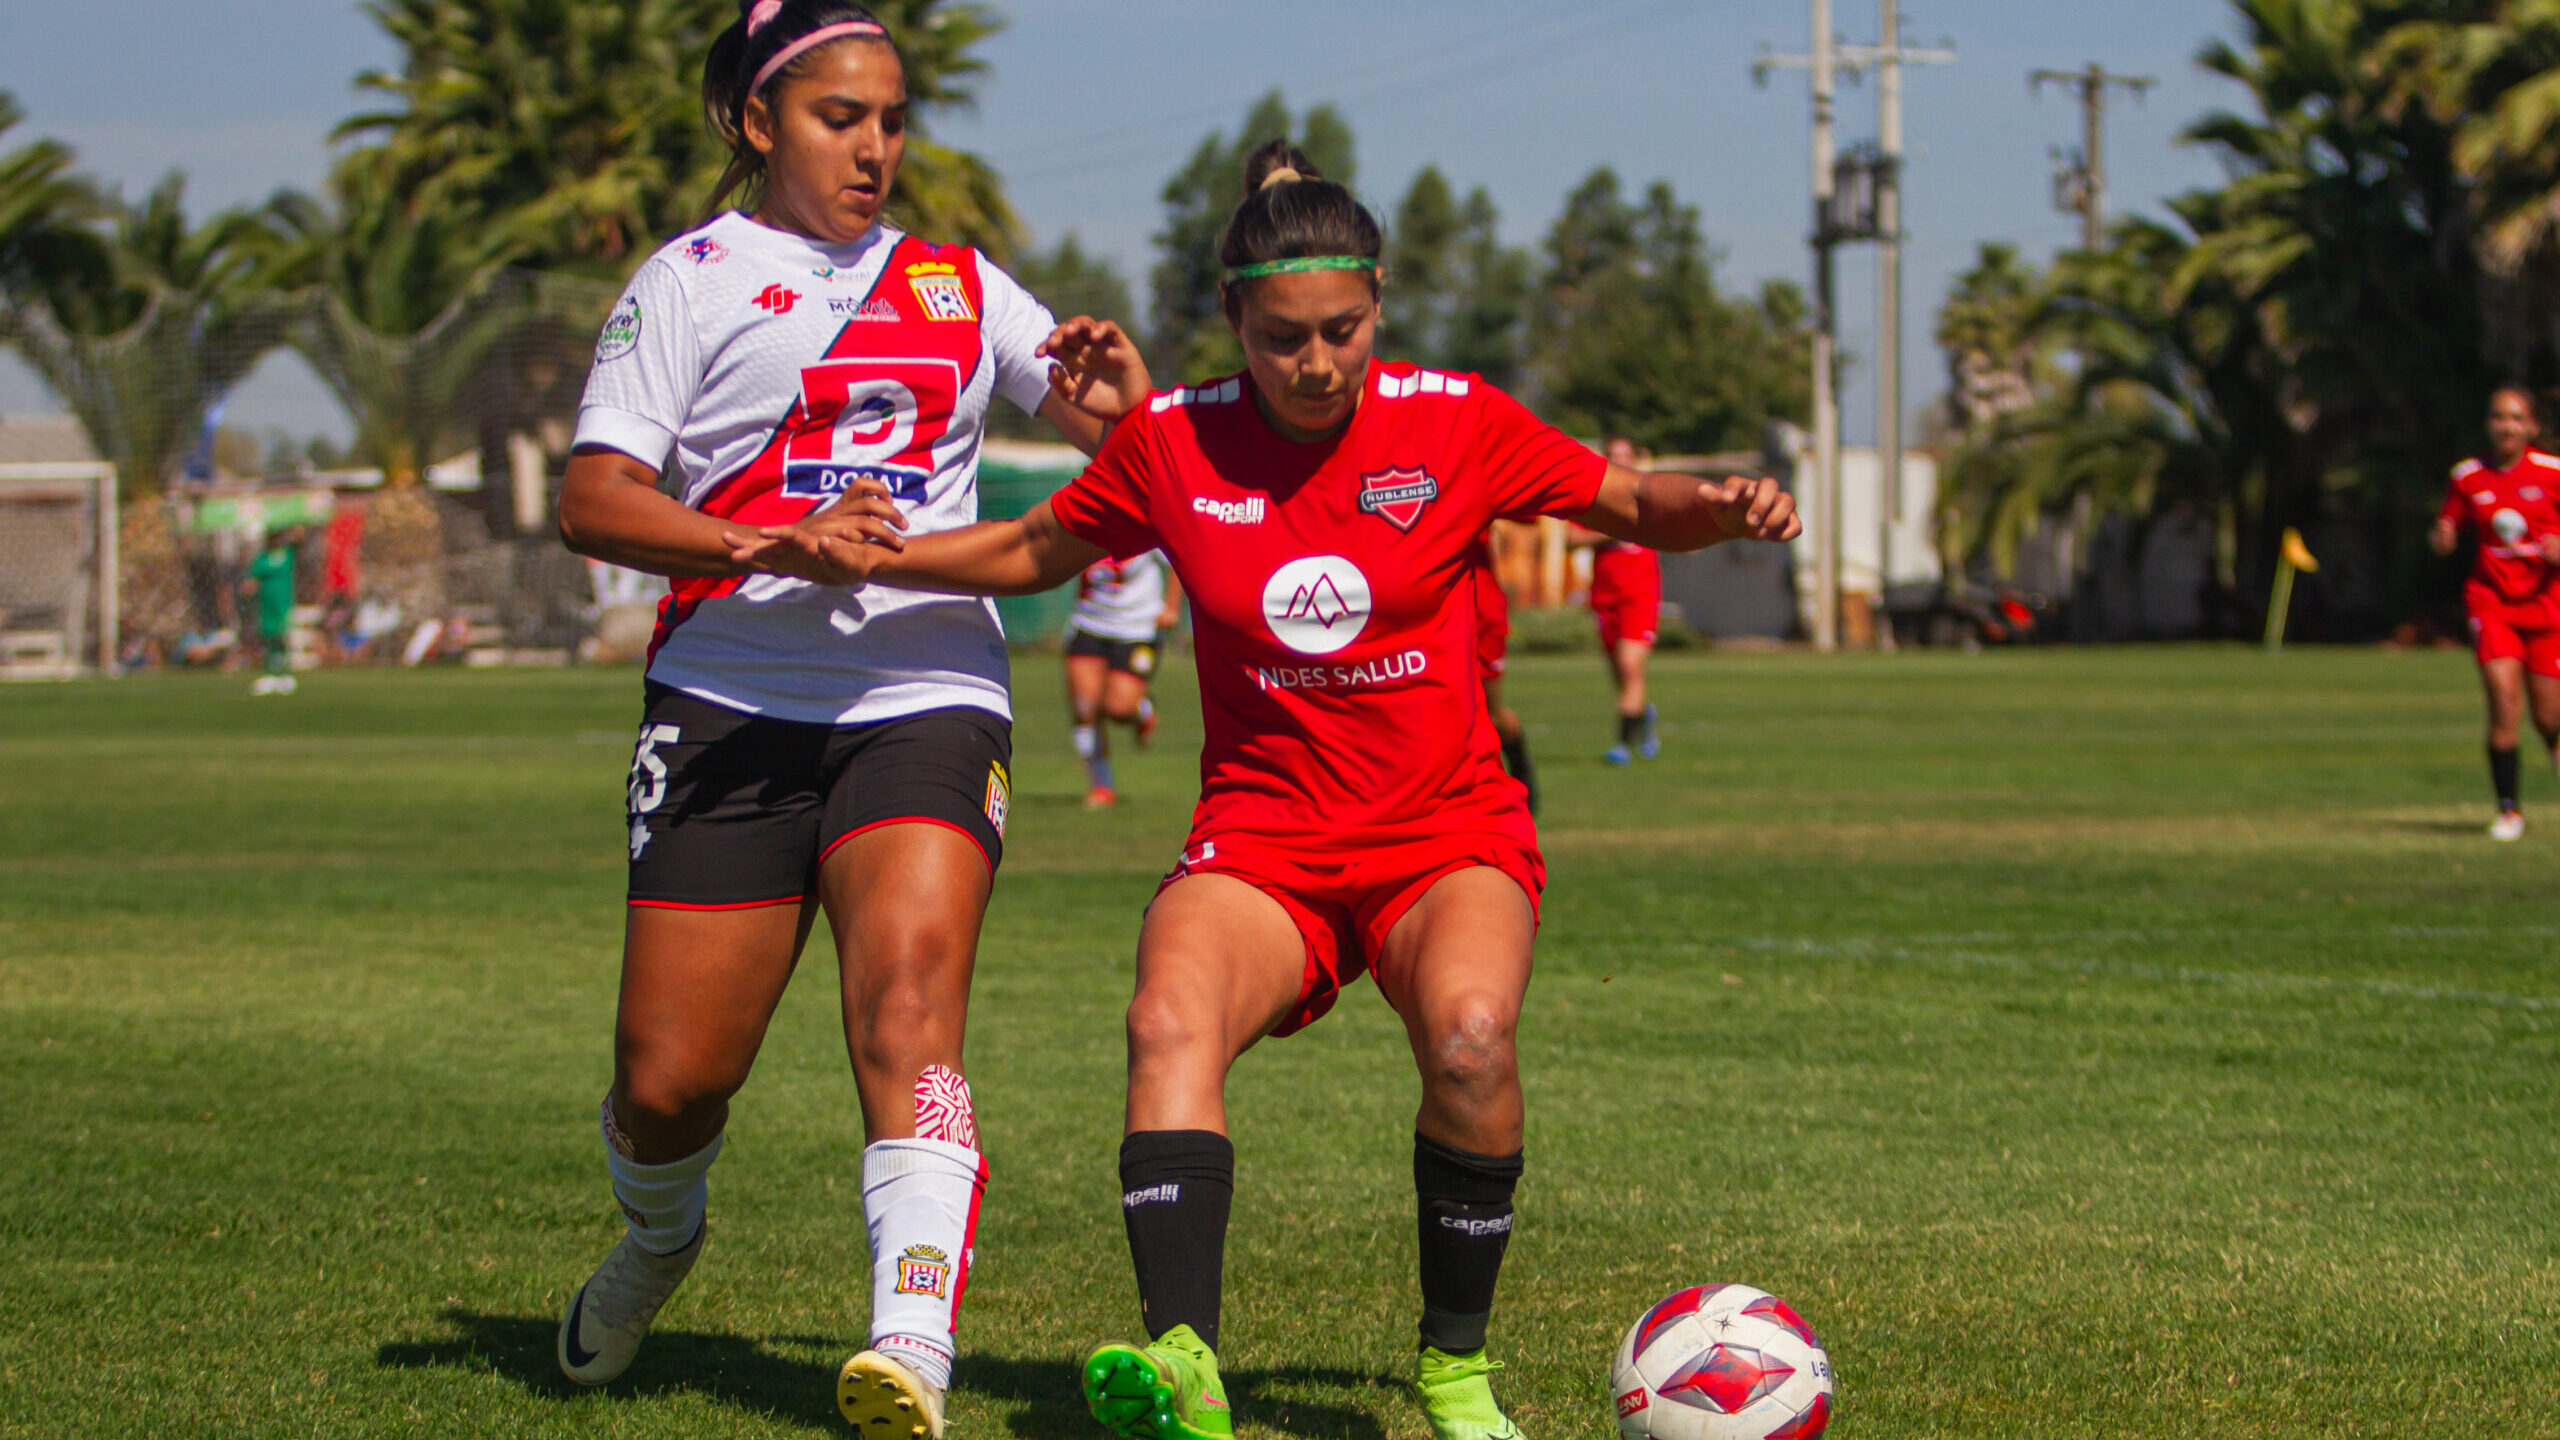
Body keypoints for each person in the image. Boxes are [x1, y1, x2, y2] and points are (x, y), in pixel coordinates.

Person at [730, 140, 1799, 1440]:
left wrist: (1724, 504)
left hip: (1442, 835)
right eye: (1284, 336)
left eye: (1342, 332)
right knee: (1165, 1021)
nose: (1316, 363)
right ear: (1234, 321)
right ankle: (1186, 1365)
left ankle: (1455, 1369)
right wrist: (864, 560)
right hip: (1263, 847)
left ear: (1382, 306)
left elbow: (1627, 496)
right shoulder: (1176, 442)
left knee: (1469, 1038)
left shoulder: (1454, 418)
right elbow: (1026, 545)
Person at [549, 3, 1150, 1431]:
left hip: (926, 689)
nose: (875, 148)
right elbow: (593, 500)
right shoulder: (689, 280)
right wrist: (770, 543)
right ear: (760, 124)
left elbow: (1145, 455)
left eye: (892, 120)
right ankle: (658, 1240)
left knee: (908, 1013)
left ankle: (910, 1350)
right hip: (729, 698)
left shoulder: (955, 286)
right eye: (840, 118)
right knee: (671, 1086)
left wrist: (1128, 405)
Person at [2431, 385, 2560, 840]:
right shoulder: (2468, 476)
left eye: (2516, 417)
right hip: (2492, 604)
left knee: (2549, 715)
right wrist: (2443, 536)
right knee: (2504, 702)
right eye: (2499, 417)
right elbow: (2447, 523)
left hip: (2547, 607)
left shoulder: (2552, 472)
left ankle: (2554, 745)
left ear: (2532, 426)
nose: (2507, 425)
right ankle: (2509, 811)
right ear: (2489, 423)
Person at [1065, 549, 1183, 807]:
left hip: (1137, 627)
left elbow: (1178, 557)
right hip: (1089, 623)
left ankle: (1141, 709)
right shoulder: (1085, 517)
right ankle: (1101, 785)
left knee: (1119, 708)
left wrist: (1171, 607)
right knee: (1085, 708)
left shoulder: (1142, 517)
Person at [1580, 438, 1662, 764]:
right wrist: (1610, 532)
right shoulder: (1594, 497)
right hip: (1605, 596)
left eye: (1624, 456)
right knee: (1620, 673)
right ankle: (1642, 717)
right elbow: (1572, 538)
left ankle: (1623, 746)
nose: (1619, 461)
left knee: (1630, 665)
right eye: (1613, 456)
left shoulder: (1648, 495)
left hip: (1640, 595)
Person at [1468, 531, 1536, 814]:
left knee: (1489, 714)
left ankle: (1523, 778)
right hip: (1427, 617)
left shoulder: (1466, 488)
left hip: (1480, 614)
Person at [243, 528, 300, 695]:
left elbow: (299, 536)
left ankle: (284, 672)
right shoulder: (262, 558)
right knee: (268, 635)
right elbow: (252, 579)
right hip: (266, 602)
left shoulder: (287, 554)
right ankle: (269, 672)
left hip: (283, 602)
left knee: (282, 634)